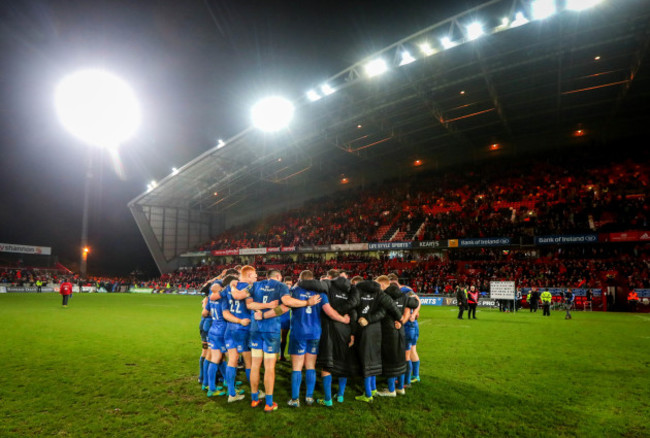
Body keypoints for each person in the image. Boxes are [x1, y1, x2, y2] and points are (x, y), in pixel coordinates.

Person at [286, 270, 349, 408]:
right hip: (314, 333)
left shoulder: (295, 290)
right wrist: (343, 319)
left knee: (297, 367)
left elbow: (286, 302)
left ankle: (295, 399)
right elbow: (329, 312)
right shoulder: (320, 293)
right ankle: (309, 397)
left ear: (301, 279)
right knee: (310, 366)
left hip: (299, 332)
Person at [246, 269, 289, 412]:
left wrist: (261, 311)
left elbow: (249, 305)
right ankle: (269, 403)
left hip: (255, 329)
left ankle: (254, 399)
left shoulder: (255, 285)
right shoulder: (281, 286)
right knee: (269, 367)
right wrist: (268, 311)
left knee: (255, 365)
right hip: (271, 330)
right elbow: (284, 308)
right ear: (278, 276)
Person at [354, 279, 402, 403]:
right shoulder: (380, 294)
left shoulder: (358, 291)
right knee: (374, 359)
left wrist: (360, 319)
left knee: (366, 361)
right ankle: (373, 389)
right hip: (377, 329)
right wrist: (400, 319)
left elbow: (352, 306)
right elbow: (388, 307)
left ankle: (368, 394)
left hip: (364, 330)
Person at [316, 270, 359, 406]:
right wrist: (352, 333)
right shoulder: (350, 292)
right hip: (345, 330)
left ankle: (328, 399)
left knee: (326, 363)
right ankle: (340, 395)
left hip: (329, 329)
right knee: (343, 363)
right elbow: (354, 314)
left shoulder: (327, 286)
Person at [375, 276, 417, 397]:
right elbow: (415, 302)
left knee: (389, 361)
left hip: (388, 332)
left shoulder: (383, 297)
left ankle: (391, 390)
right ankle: (400, 388)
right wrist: (403, 320)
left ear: (383, 285)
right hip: (401, 331)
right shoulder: (403, 296)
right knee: (400, 359)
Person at [222, 266, 257, 403]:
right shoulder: (250, 288)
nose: (256, 278)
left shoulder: (227, 289)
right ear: (248, 275)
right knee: (249, 362)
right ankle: (255, 391)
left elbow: (225, 313)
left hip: (229, 328)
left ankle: (231, 394)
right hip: (243, 329)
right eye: (254, 275)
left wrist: (236, 320)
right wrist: (241, 321)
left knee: (232, 360)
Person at [279, 276, 293, 362]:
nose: (289, 286)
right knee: (276, 338)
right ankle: (271, 356)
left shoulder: (292, 292)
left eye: (290, 284)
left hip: (286, 317)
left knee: (284, 338)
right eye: (287, 284)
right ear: (284, 283)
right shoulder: (280, 291)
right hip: (278, 316)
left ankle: (282, 356)